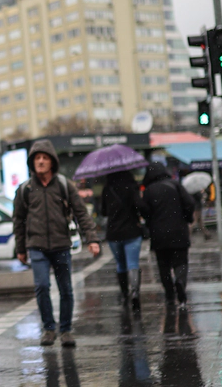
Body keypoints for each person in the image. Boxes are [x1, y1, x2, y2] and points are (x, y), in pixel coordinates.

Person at [13, 140, 101, 347]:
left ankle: (66, 330)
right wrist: (20, 248)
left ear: (52, 162)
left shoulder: (64, 185)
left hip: (61, 244)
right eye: (37, 158)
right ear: (32, 162)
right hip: (37, 246)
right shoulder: (25, 189)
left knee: (66, 289)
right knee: (42, 287)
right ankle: (49, 329)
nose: (41, 161)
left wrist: (92, 239)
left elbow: (81, 213)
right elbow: (18, 220)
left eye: (45, 158)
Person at [140, 163, 195, 309]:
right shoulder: (175, 185)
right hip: (179, 231)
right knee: (181, 261)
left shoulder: (149, 190)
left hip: (159, 234)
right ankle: (180, 282)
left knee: (163, 265)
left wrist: (150, 222)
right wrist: (187, 217)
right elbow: (189, 202)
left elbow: (144, 210)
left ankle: (170, 296)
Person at [98, 168, 145, 311]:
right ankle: (135, 293)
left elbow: (103, 211)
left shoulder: (107, 188)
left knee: (121, 265)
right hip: (131, 231)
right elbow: (140, 205)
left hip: (114, 233)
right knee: (133, 263)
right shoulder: (131, 186)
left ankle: (124, 295)